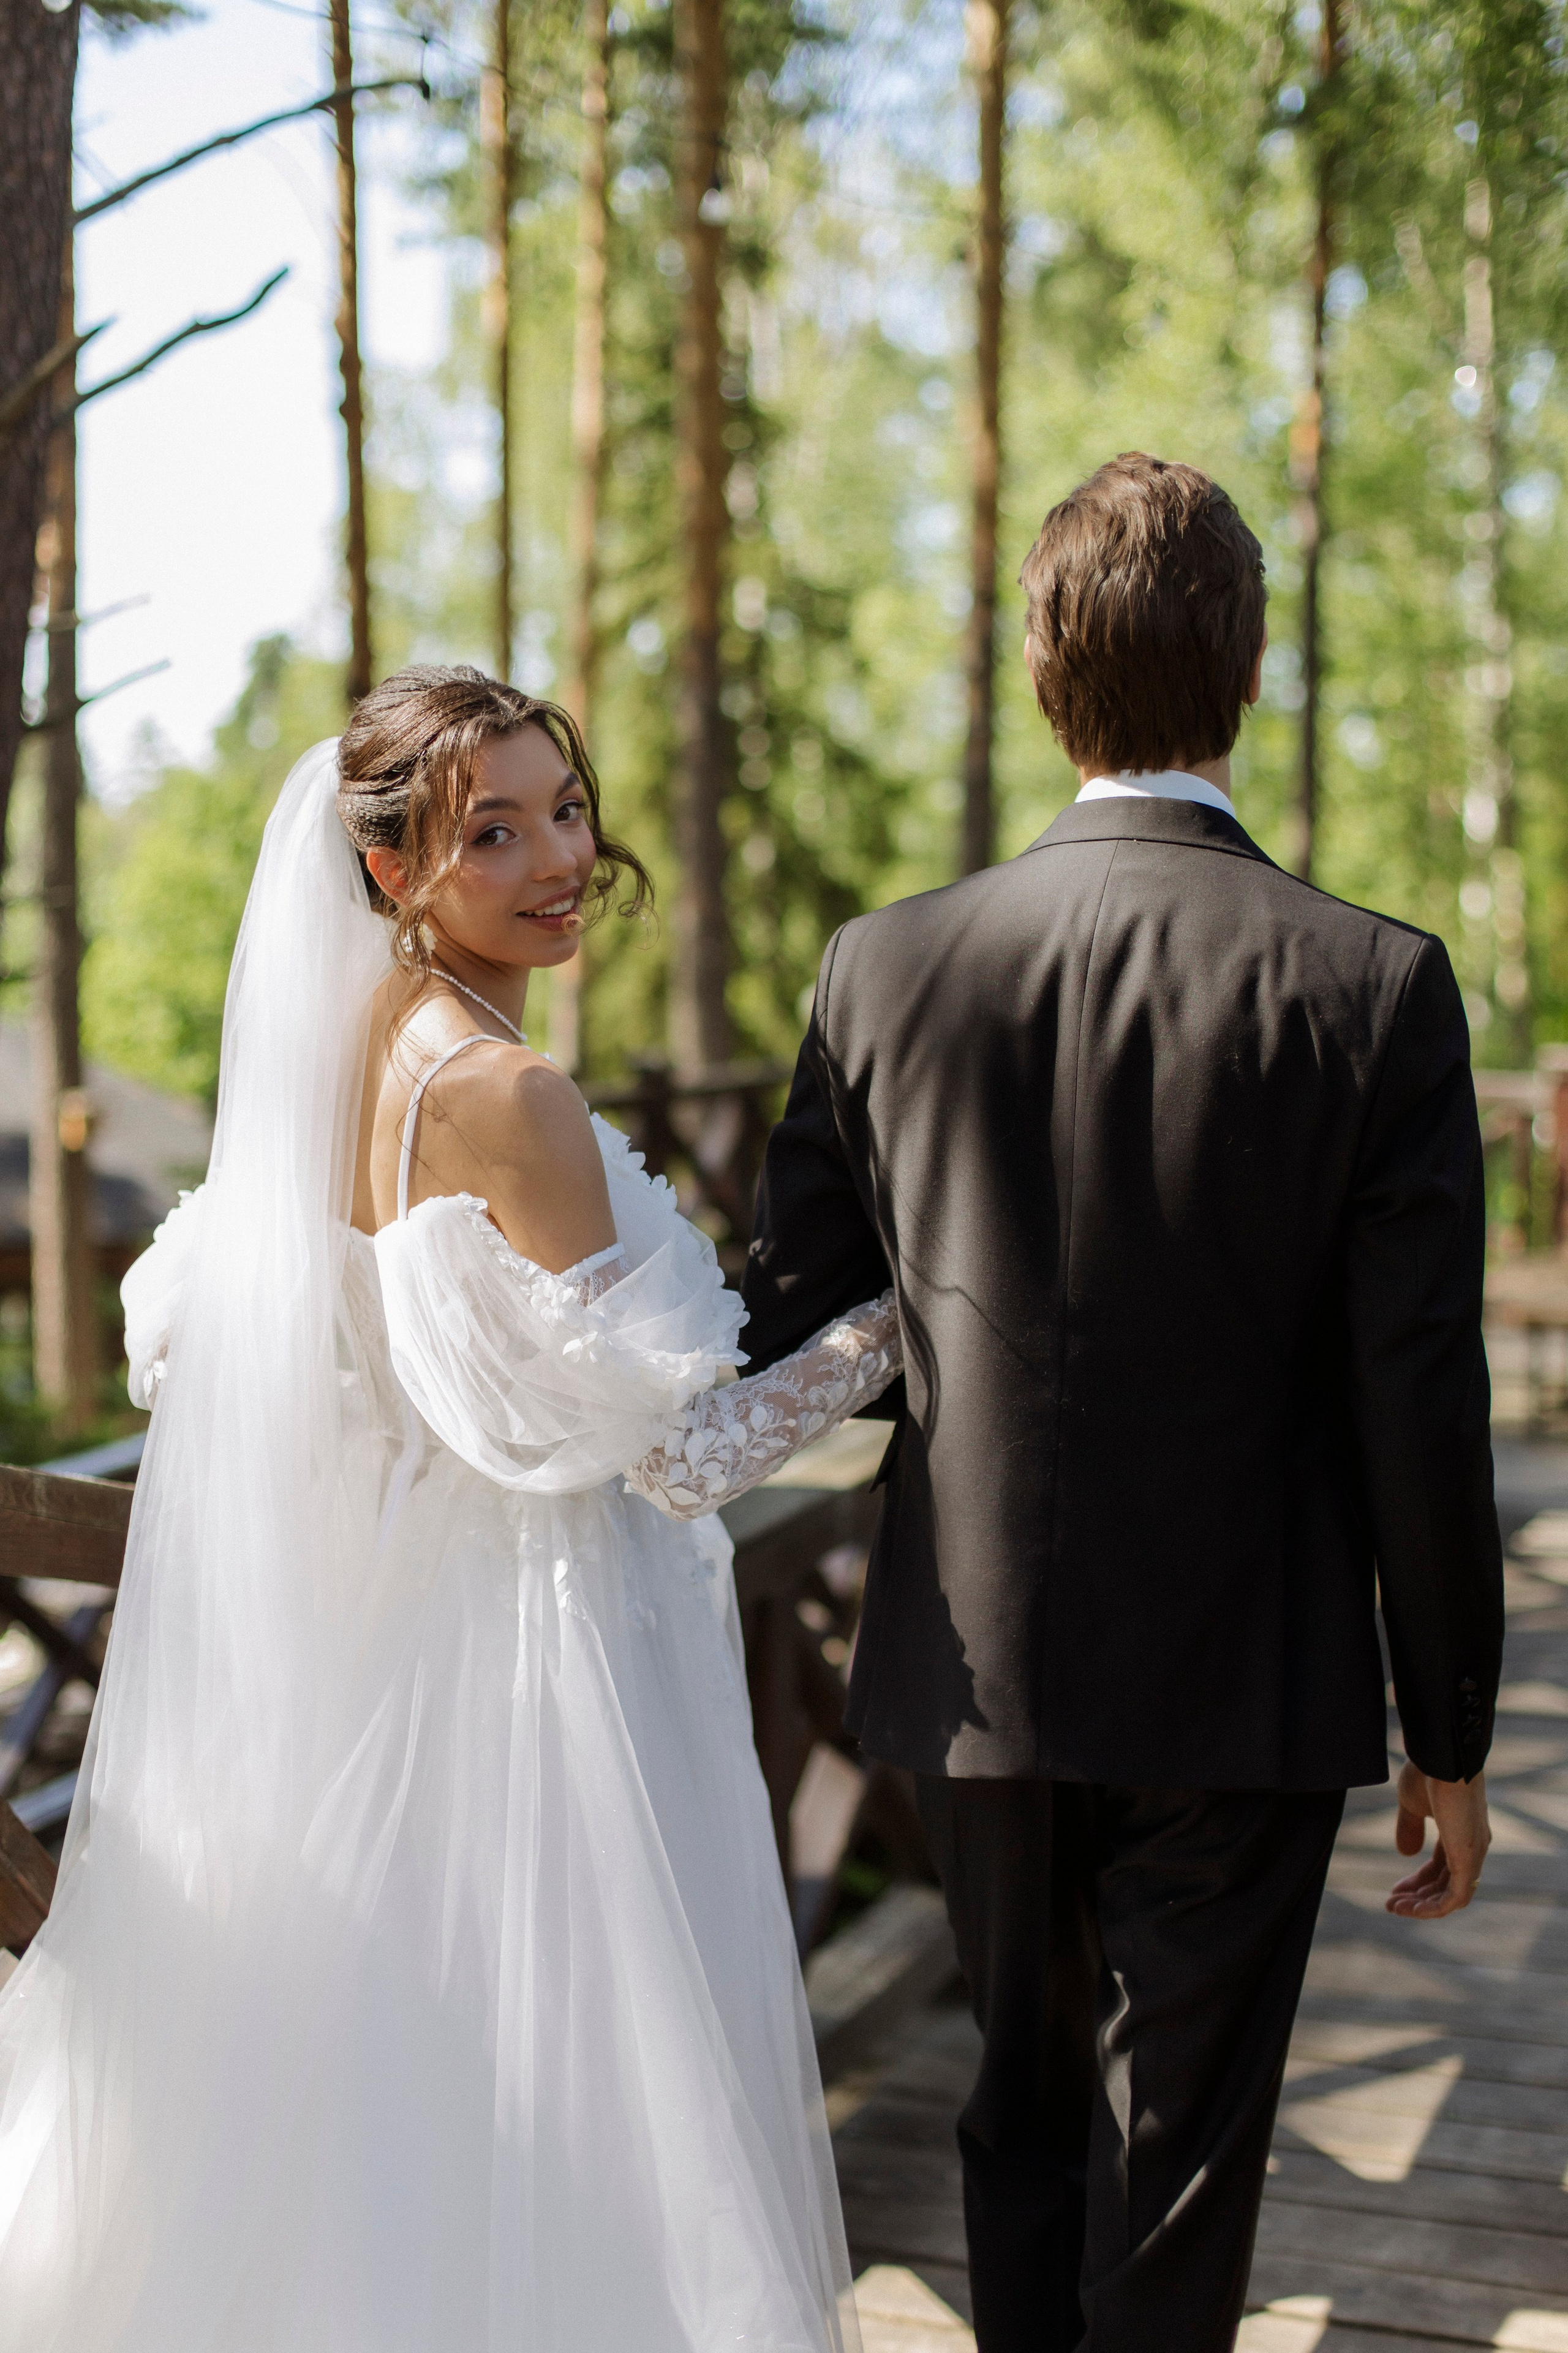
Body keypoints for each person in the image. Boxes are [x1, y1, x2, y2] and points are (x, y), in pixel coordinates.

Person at [0, 667, 899, 2352]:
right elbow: (682, 1459)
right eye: (492, 829)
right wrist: (898, 1323)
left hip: (359, 1664)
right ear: (392, 868)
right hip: (534, 1677)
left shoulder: (323, 1056)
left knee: (370, 2125)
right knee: (559, 2133)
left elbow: (219, 1345)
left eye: (565, 807)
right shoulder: (507, 1095)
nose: (559, 855)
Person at [740, 453, 1504, 2352]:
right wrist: (1454, 1719)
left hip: (970, 1659)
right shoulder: (1376, 984)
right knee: (1186, 2147)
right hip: (1254, 1668)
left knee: (1018, 2099)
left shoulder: (883, 969)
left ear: (1039, 675)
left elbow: (788, 1316)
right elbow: (1419, 1391)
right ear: (1247, 678)